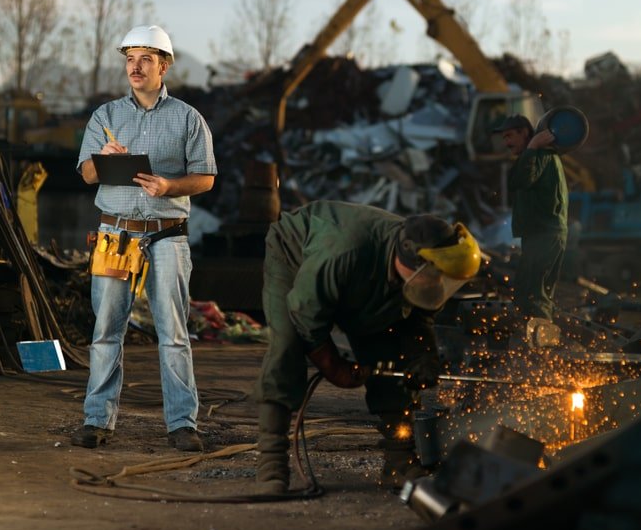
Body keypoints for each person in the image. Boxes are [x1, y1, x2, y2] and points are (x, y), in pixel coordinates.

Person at [253, 200, 482, 494]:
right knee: (286, 347)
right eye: (435, 274)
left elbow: (419, 317)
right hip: (295, 256)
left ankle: (398, 461)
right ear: (413, 260)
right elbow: (306, 316)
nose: (439, 282)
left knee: (389, 348)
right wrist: (334, 367)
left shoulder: (415, 260)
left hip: (356, 270)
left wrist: (423, 355)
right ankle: (271, 463)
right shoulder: (344, 252)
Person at [71, 25, 217, 451]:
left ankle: (182, 425)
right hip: (115, 235)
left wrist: (169, 187)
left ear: (164, 66)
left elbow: (206, 178)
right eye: (130, 59)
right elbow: (86, 174)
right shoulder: (106, 118)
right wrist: (103, 158)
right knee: (106, 330)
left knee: (173, 333)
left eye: (145, 59)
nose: (135, 67)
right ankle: (97, 421)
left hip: (167, 235)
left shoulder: (188, 118)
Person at [493, 114, 568, 341]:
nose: (506, 142)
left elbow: (523, 179)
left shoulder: (542, 154)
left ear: (525, 133)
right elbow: (517, 180)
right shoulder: (535, 156)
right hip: (539, 233)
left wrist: (534, 146)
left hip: (545, 233)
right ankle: (535, 342)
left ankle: (544, 354)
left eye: (509, 136)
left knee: (534, 295)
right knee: (528, 292)